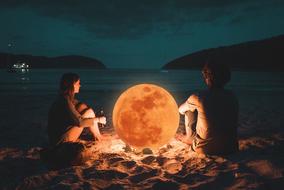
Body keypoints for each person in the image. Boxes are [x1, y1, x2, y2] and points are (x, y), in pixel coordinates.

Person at [42, 73, 106, 168]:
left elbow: (76, 106)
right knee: (89, 112)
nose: (80, 85)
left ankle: (97, 136)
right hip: (61, 141)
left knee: (84, 108)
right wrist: (99, 119)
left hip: (56, 136)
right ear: (72, 85)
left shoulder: (64, 97)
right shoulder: (65, 101)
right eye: (78, 83)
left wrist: (83, 107)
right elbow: (80, 123)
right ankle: (98, 137)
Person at [178, 61, 239, 155]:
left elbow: (180, 110)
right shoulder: (232, 96)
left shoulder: (198, 97)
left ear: (207, 77)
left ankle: (188, 138)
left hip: (205, 149)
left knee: (189, 110)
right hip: (231, 148)